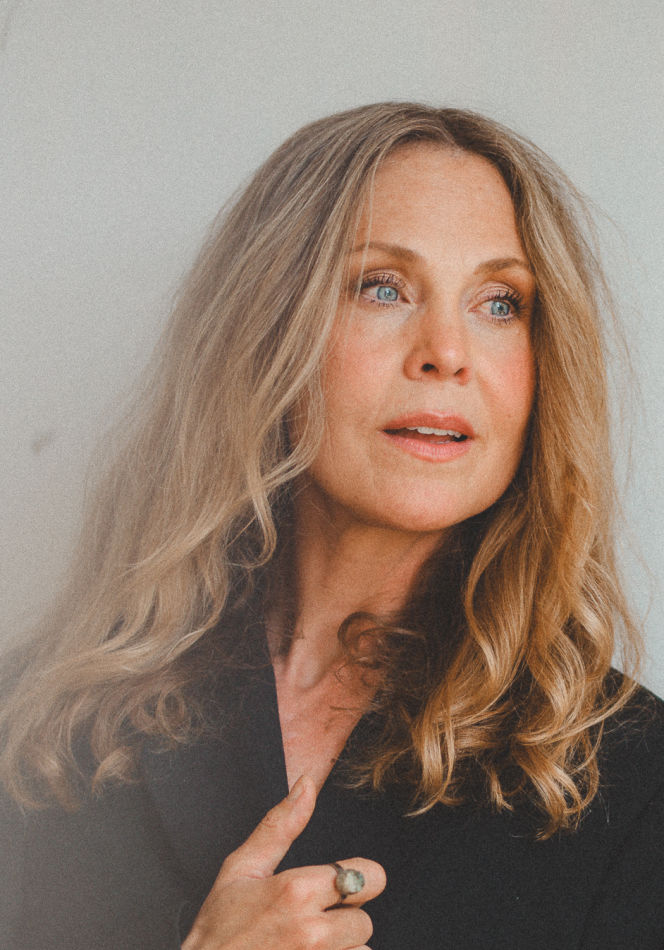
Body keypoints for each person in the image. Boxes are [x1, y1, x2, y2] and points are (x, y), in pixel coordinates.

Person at [1, 102, 663, 950]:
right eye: (382, 287)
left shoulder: (632, 779)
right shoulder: (47, 722)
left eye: (500, 303)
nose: (447, 351)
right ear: (267, 328)